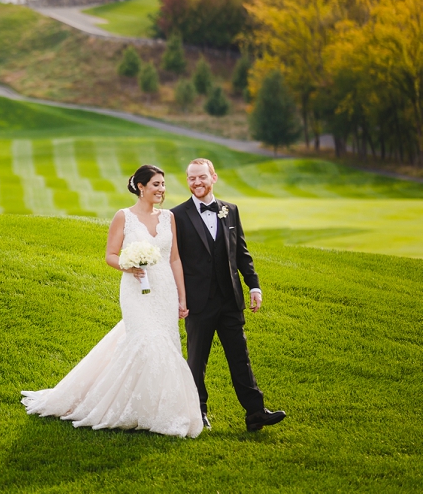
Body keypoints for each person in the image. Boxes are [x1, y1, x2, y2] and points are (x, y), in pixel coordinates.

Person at [21, 164, 203, 438]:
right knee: (145, 340)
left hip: (164, 290)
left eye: (163, 184)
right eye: (156, 184)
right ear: (141, 187)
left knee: (165, 344)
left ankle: (158, 410)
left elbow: (174, 258)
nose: (161, 189)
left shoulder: (168, 218)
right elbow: (110, 255)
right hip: (135, 291)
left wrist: (182, 296)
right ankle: (123, 407)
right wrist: (128, 266)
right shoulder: (124, 217)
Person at [171, 158, 286, 432]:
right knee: (197, 360)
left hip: (230, 300)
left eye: (201, 177)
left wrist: (253, 285)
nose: (196, 182)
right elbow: (172, 259)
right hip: (198, 302)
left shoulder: (230, 210)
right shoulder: (176, 215)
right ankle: (198, 412)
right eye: (191, 178)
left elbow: (241, 252)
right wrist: (178, 297)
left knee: (240, 357)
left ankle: (256, 413)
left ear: (214, 177)